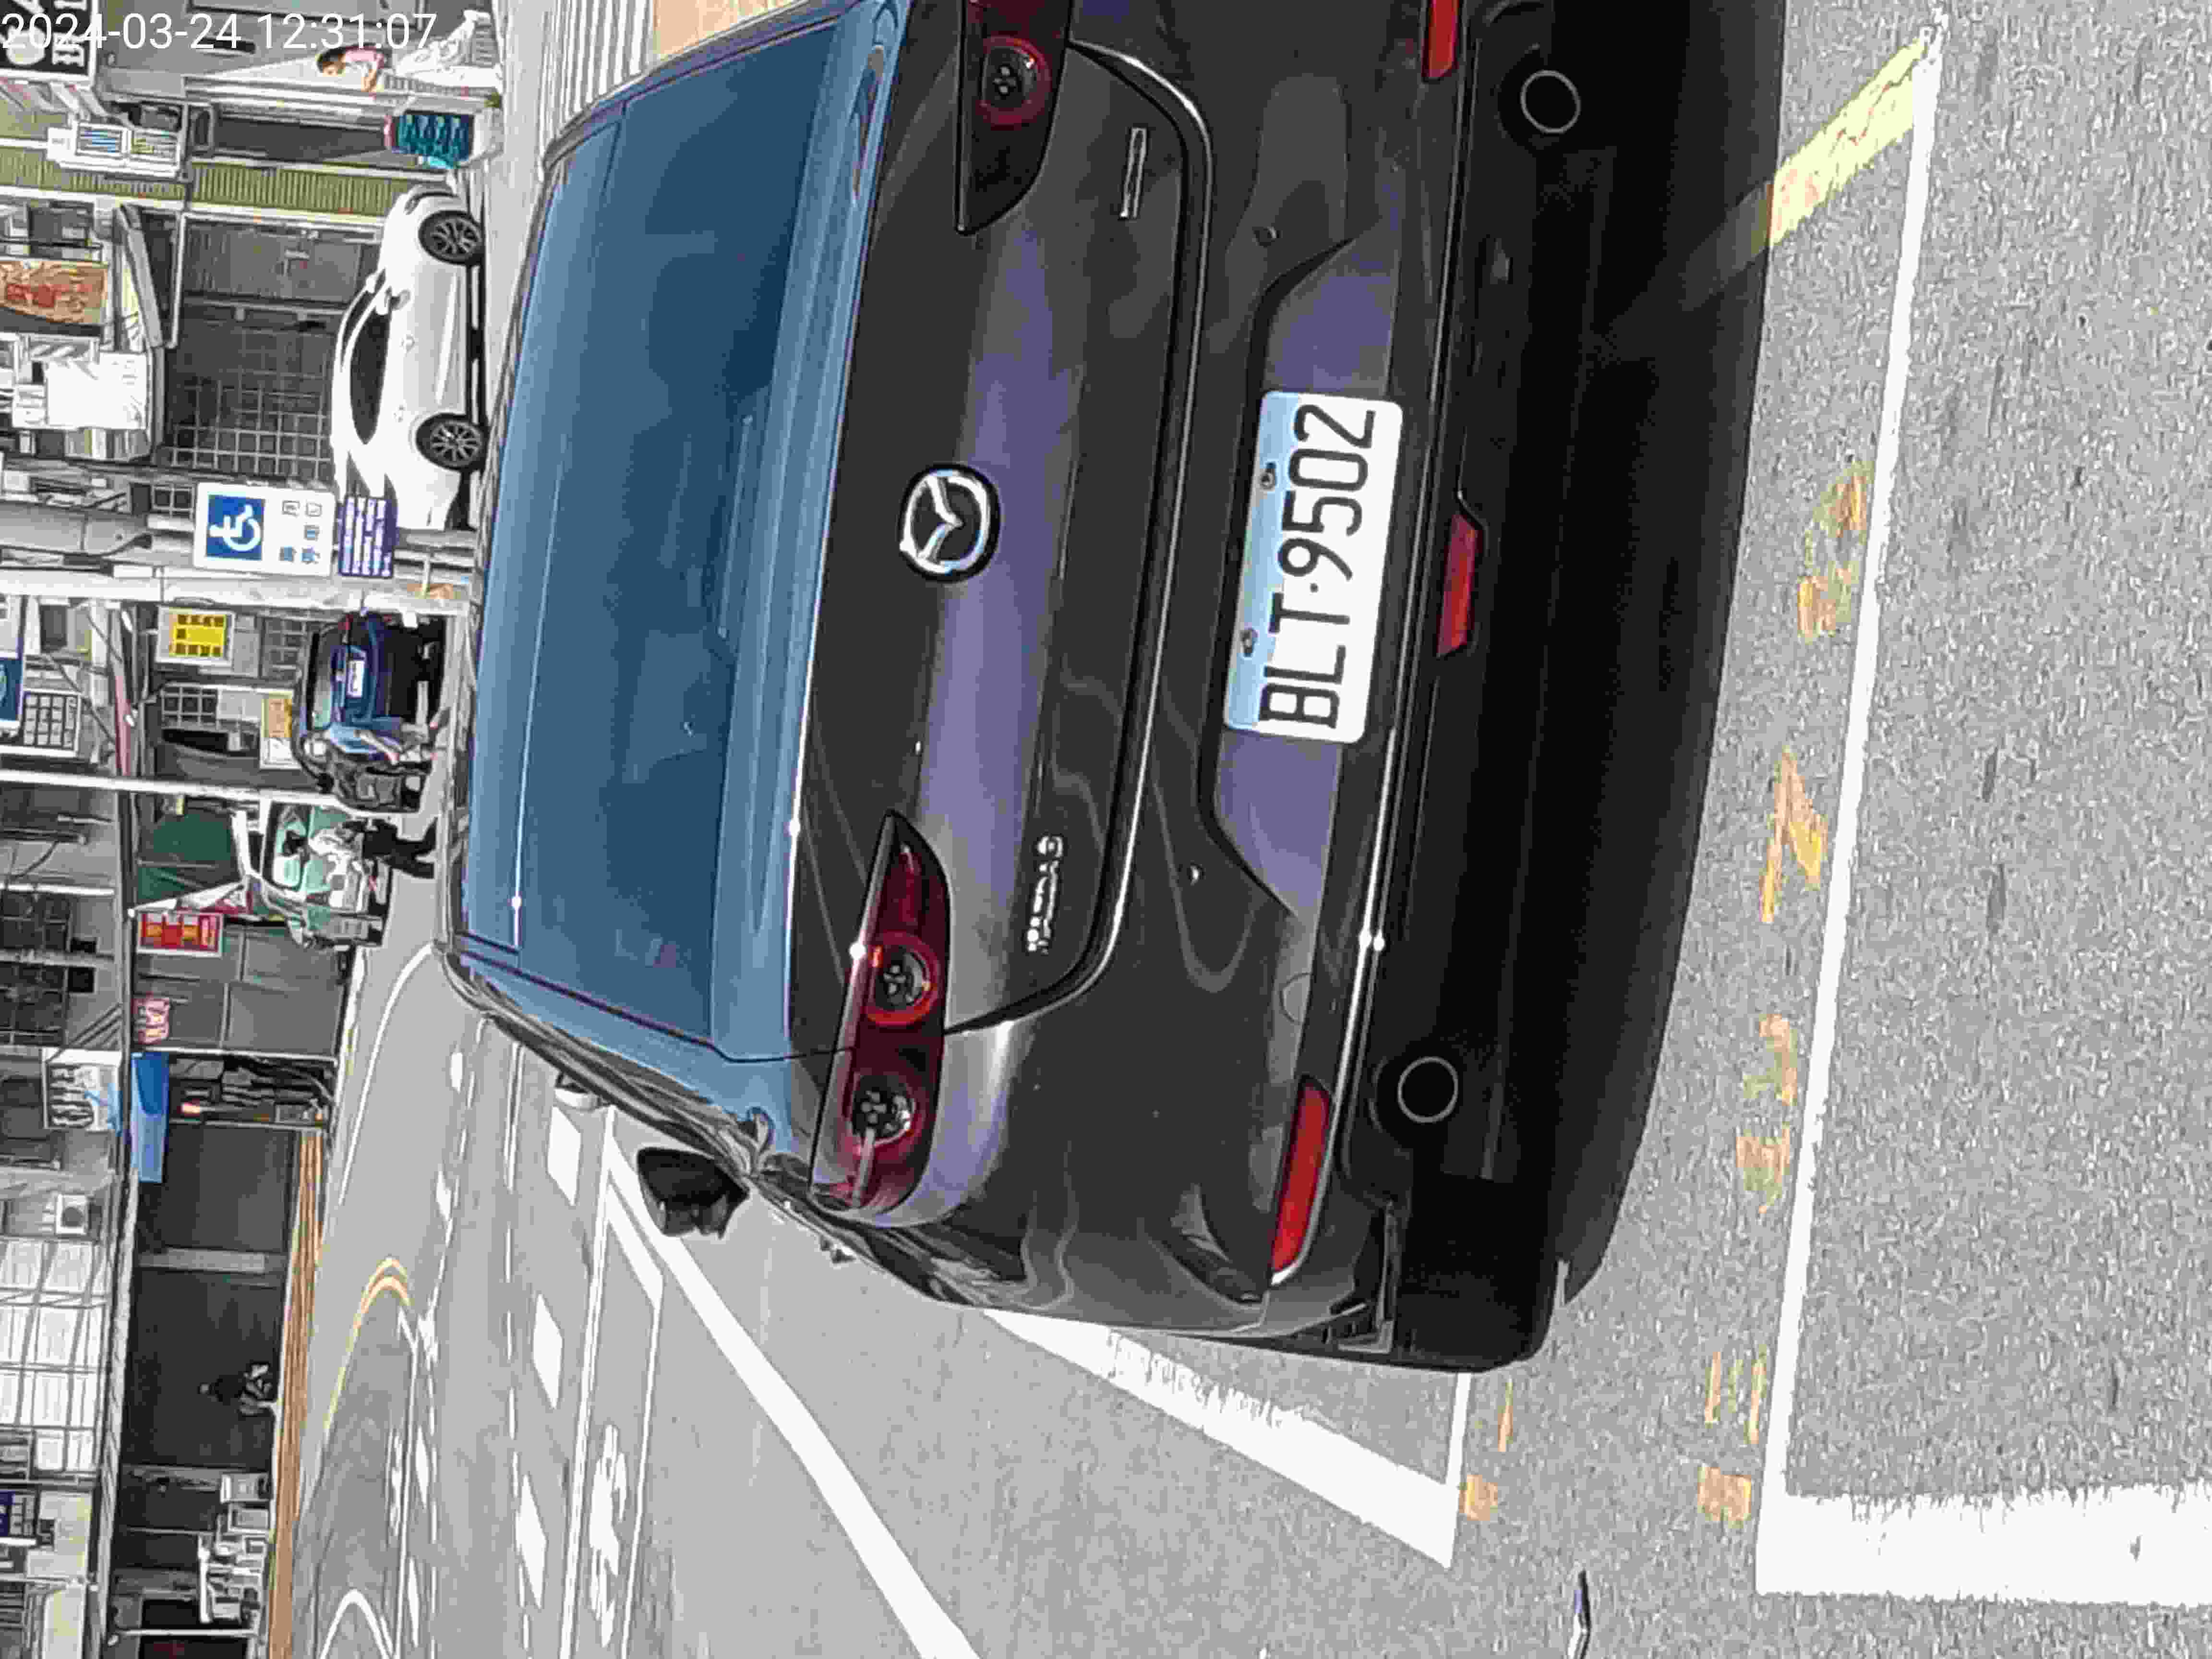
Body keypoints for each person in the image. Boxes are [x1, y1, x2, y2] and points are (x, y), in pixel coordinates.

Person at [283, 817, 439, 881]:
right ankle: (437, 824)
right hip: (371, 843)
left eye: (298, 855)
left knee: (412, 866)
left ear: (301, 850)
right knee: (418, 849)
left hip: (372, 847)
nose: (301, 857)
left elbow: (345, 851)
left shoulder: (319, 844)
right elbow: (345, 850)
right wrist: (361, 868)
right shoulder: (319, 839)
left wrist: (355, 868)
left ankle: (441, 871)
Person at [319, 707, 449, 769]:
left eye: (312, 744)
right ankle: (451, 712)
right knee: (429, 736)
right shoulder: (334, 733)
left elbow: (364, 734)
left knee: (428, 746)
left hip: (391, 738)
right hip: (390, 732)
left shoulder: (335, 734)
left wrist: (389, 751)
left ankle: (453, 712)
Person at [201, 1364, 277, 1419]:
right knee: (246, 1407)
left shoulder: (221, 1381)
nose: (208, 1388)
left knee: (251, 1386)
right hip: (244, 1396)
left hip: (247, 1386)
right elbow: (238, 1402)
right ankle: (266, 1407)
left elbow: (240, 1380)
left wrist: (246, 1379)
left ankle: (266, 1395)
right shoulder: (221, 1397)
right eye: (206, 1390)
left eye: (206, 1387)